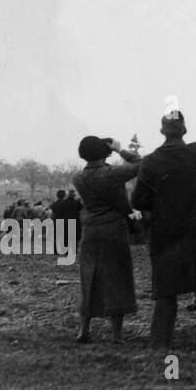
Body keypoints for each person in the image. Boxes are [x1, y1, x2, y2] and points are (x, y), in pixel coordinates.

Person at [130, 100, 196, 351]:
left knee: (166, 292)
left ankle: (160, 343)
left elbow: (138, 201)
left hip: (166, 233)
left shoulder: (150, 162)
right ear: (185, 129)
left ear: (161, 131)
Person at [72, 136, 141, 344]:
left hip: (90, 230)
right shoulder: (111, 174)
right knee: (117, 278)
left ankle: (84, 330)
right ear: (104, 152)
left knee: (88, 277)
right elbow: (140, 164)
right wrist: (120, 150)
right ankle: (117, 335)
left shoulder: (78, 178)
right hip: (113, 228)